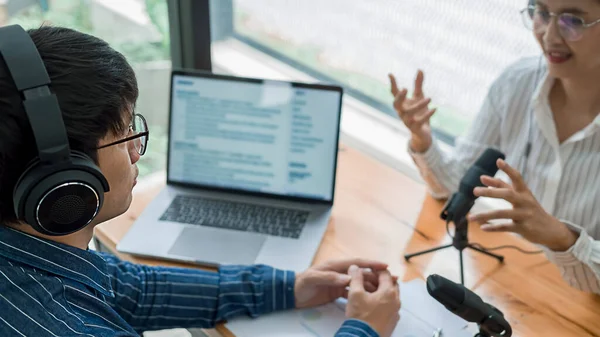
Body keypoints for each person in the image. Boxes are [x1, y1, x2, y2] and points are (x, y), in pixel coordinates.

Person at [0, 25, 401, 337]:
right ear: (65, 181)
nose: (138, 151)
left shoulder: (29, 255)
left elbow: (129, 286)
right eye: (125, 134)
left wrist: (291, 286)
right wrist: (364, 328)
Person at [389, 0, 600, 294]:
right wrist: (422, 142)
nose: (549, 36)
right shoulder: (516, 84)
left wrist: (563, 239)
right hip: (517, 284)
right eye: (540, 12)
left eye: (573, 20)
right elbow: (453, 189)